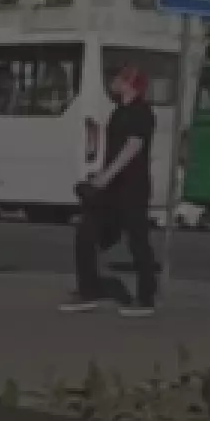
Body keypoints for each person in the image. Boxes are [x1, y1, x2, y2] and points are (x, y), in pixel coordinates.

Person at [59, 65, 159, 317]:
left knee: (137, 241)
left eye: (118, 78)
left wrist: (105, 177)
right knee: (86, 234)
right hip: (111, 188)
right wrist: (98, 169)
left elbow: (132, 148)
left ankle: (146, 298)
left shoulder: (142, 112)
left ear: (129, 83)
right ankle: (88, 291)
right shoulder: (118, 112)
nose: (113, 82)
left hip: (132, 188)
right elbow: (112, 148)